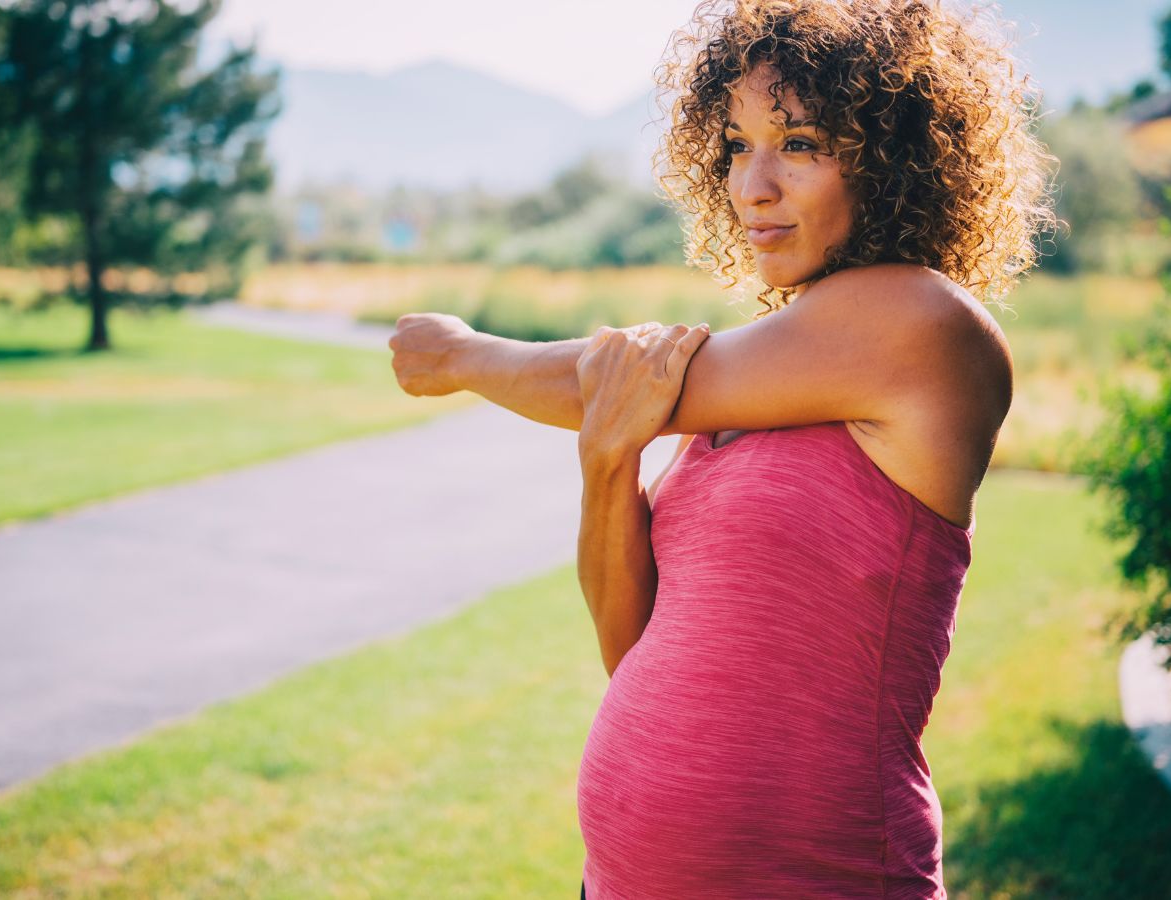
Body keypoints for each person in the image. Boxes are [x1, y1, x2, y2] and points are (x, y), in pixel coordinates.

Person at [387, 0, 1054, 895]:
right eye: (737, 144)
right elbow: (628, 648)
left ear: (895, 159)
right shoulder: (753, 382)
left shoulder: (925, 325)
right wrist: (607, 458)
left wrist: (465, 354)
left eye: (801, 142)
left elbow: (596, 377)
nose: (753, 185)